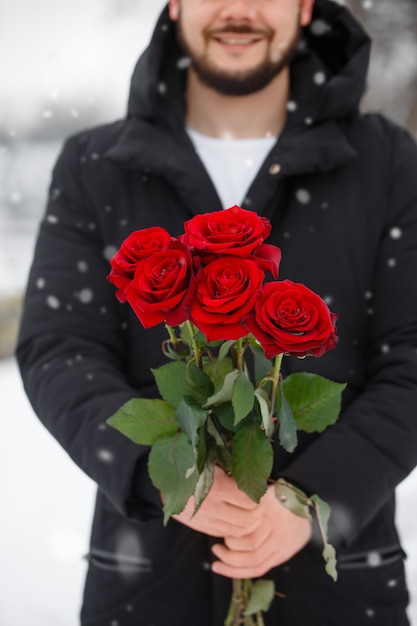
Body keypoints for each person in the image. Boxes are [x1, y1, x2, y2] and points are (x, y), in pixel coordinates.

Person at [16, 0, 417, 624]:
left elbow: (413, 355)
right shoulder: (94, 166)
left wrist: (315, 498)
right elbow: (60, 348)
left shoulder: (387, 160)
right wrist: (162, 481)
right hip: (147, 589)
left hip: (339, 596)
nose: (239, 10)